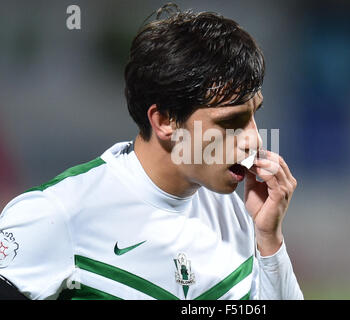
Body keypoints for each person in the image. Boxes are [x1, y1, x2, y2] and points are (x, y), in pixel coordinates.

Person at [0, 3, 303, 300]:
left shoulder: (239, 218)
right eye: (230, 122)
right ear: (165, 121)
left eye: (254, 115)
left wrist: (269, 240)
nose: (254, 140)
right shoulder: (57, 214)